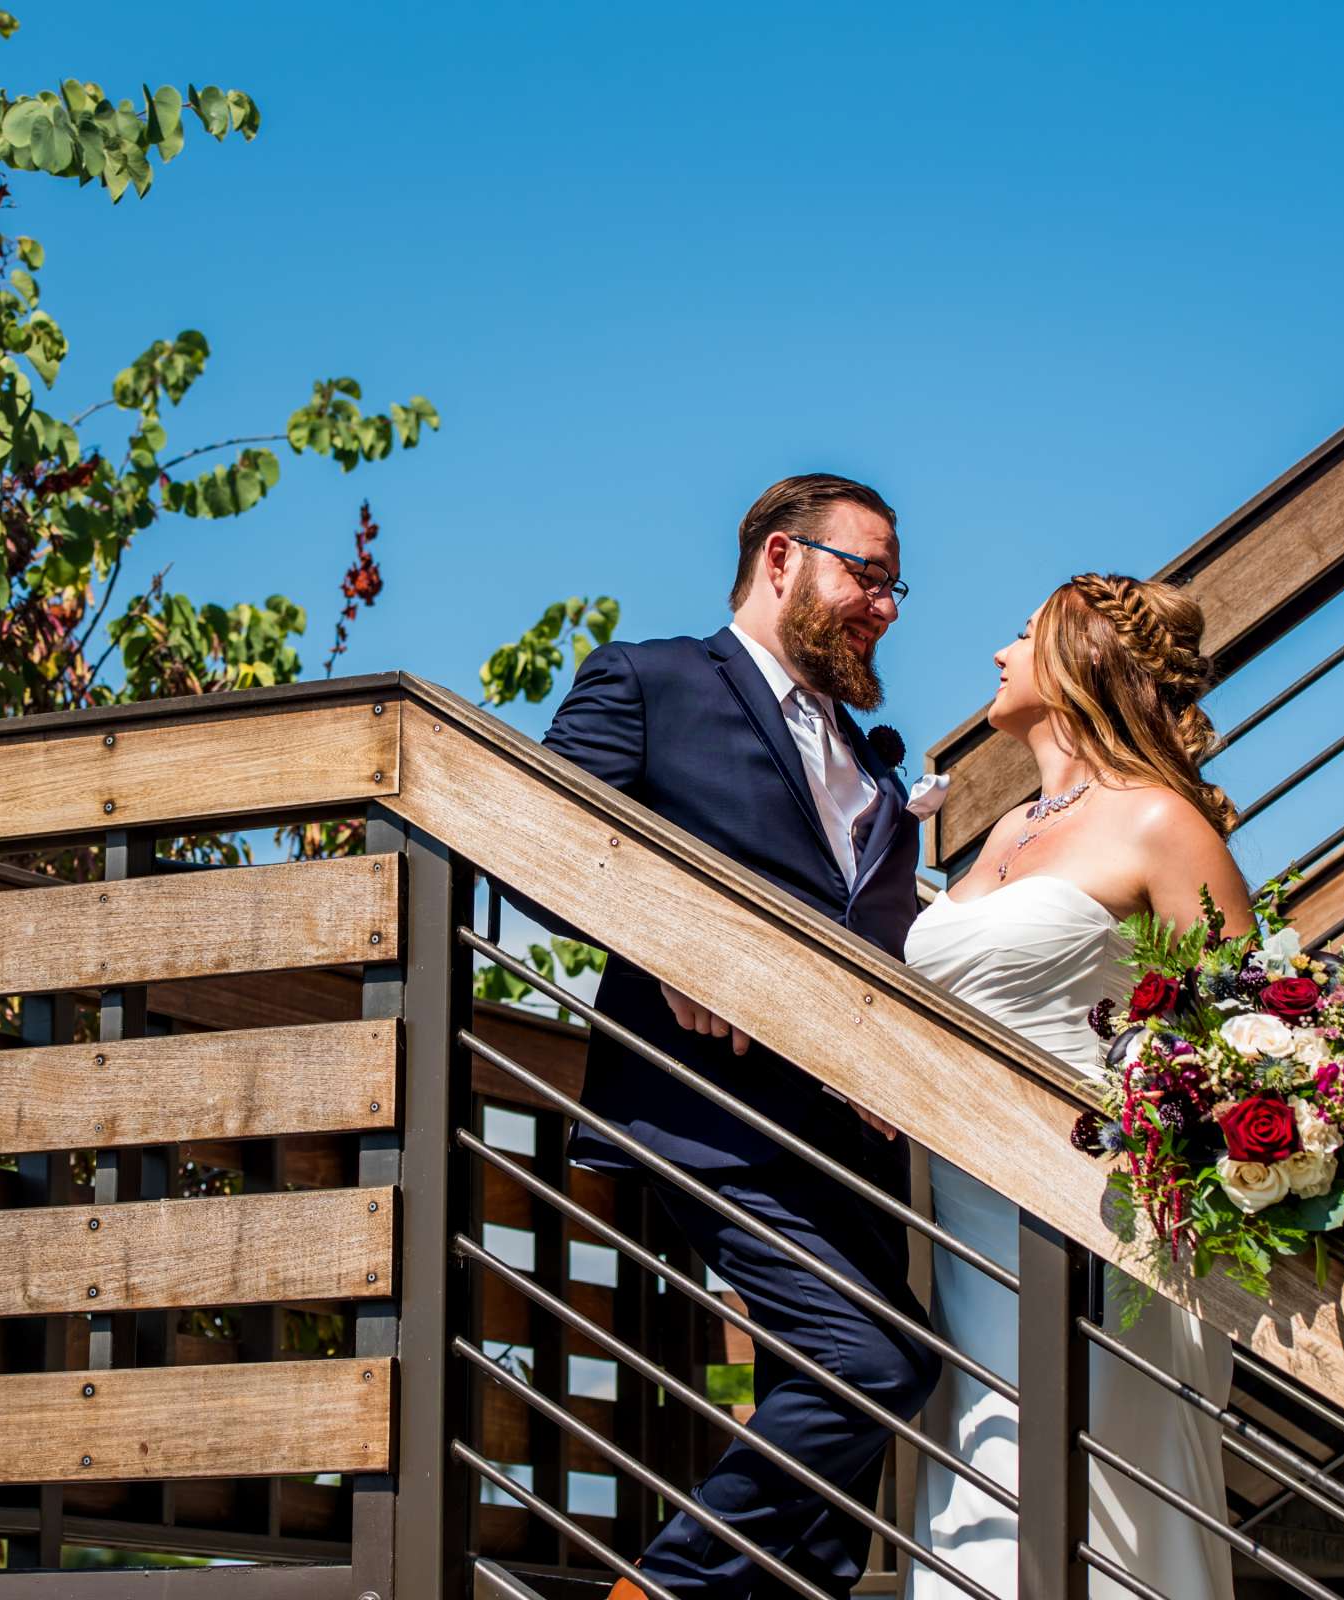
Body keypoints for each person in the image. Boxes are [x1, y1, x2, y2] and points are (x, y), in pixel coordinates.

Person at [541, 473, 940, 1599]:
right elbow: (536, 831)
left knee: (829, 1519)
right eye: (869, 574)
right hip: (705, 1113)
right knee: (876, 1361)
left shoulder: (871, 760)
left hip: (849, 1142)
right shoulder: (650, 680)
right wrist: (677, 942)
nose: (889, 607)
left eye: (896, 584)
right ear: (780, 558)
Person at [906, 573, 1249, 1600]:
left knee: (1092, 1508)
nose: (1000, 654)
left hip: (1097, 1221)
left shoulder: (1158, 823)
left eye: (1022, 634)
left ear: (1074, 661)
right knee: (973, 1500)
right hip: (958, 1222)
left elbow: (1251, 1027)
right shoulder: (1004, 830)